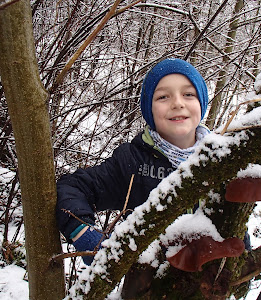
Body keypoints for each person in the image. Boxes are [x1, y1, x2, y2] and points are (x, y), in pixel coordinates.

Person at [56, 58, 221, 265]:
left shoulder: (221, 161)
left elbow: (235, 229)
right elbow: (71, 188)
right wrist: (85, 235)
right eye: (163, 96)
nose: (178, 103)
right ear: (149, 109)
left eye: (189, 94)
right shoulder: (132, 162)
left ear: (202, 102)